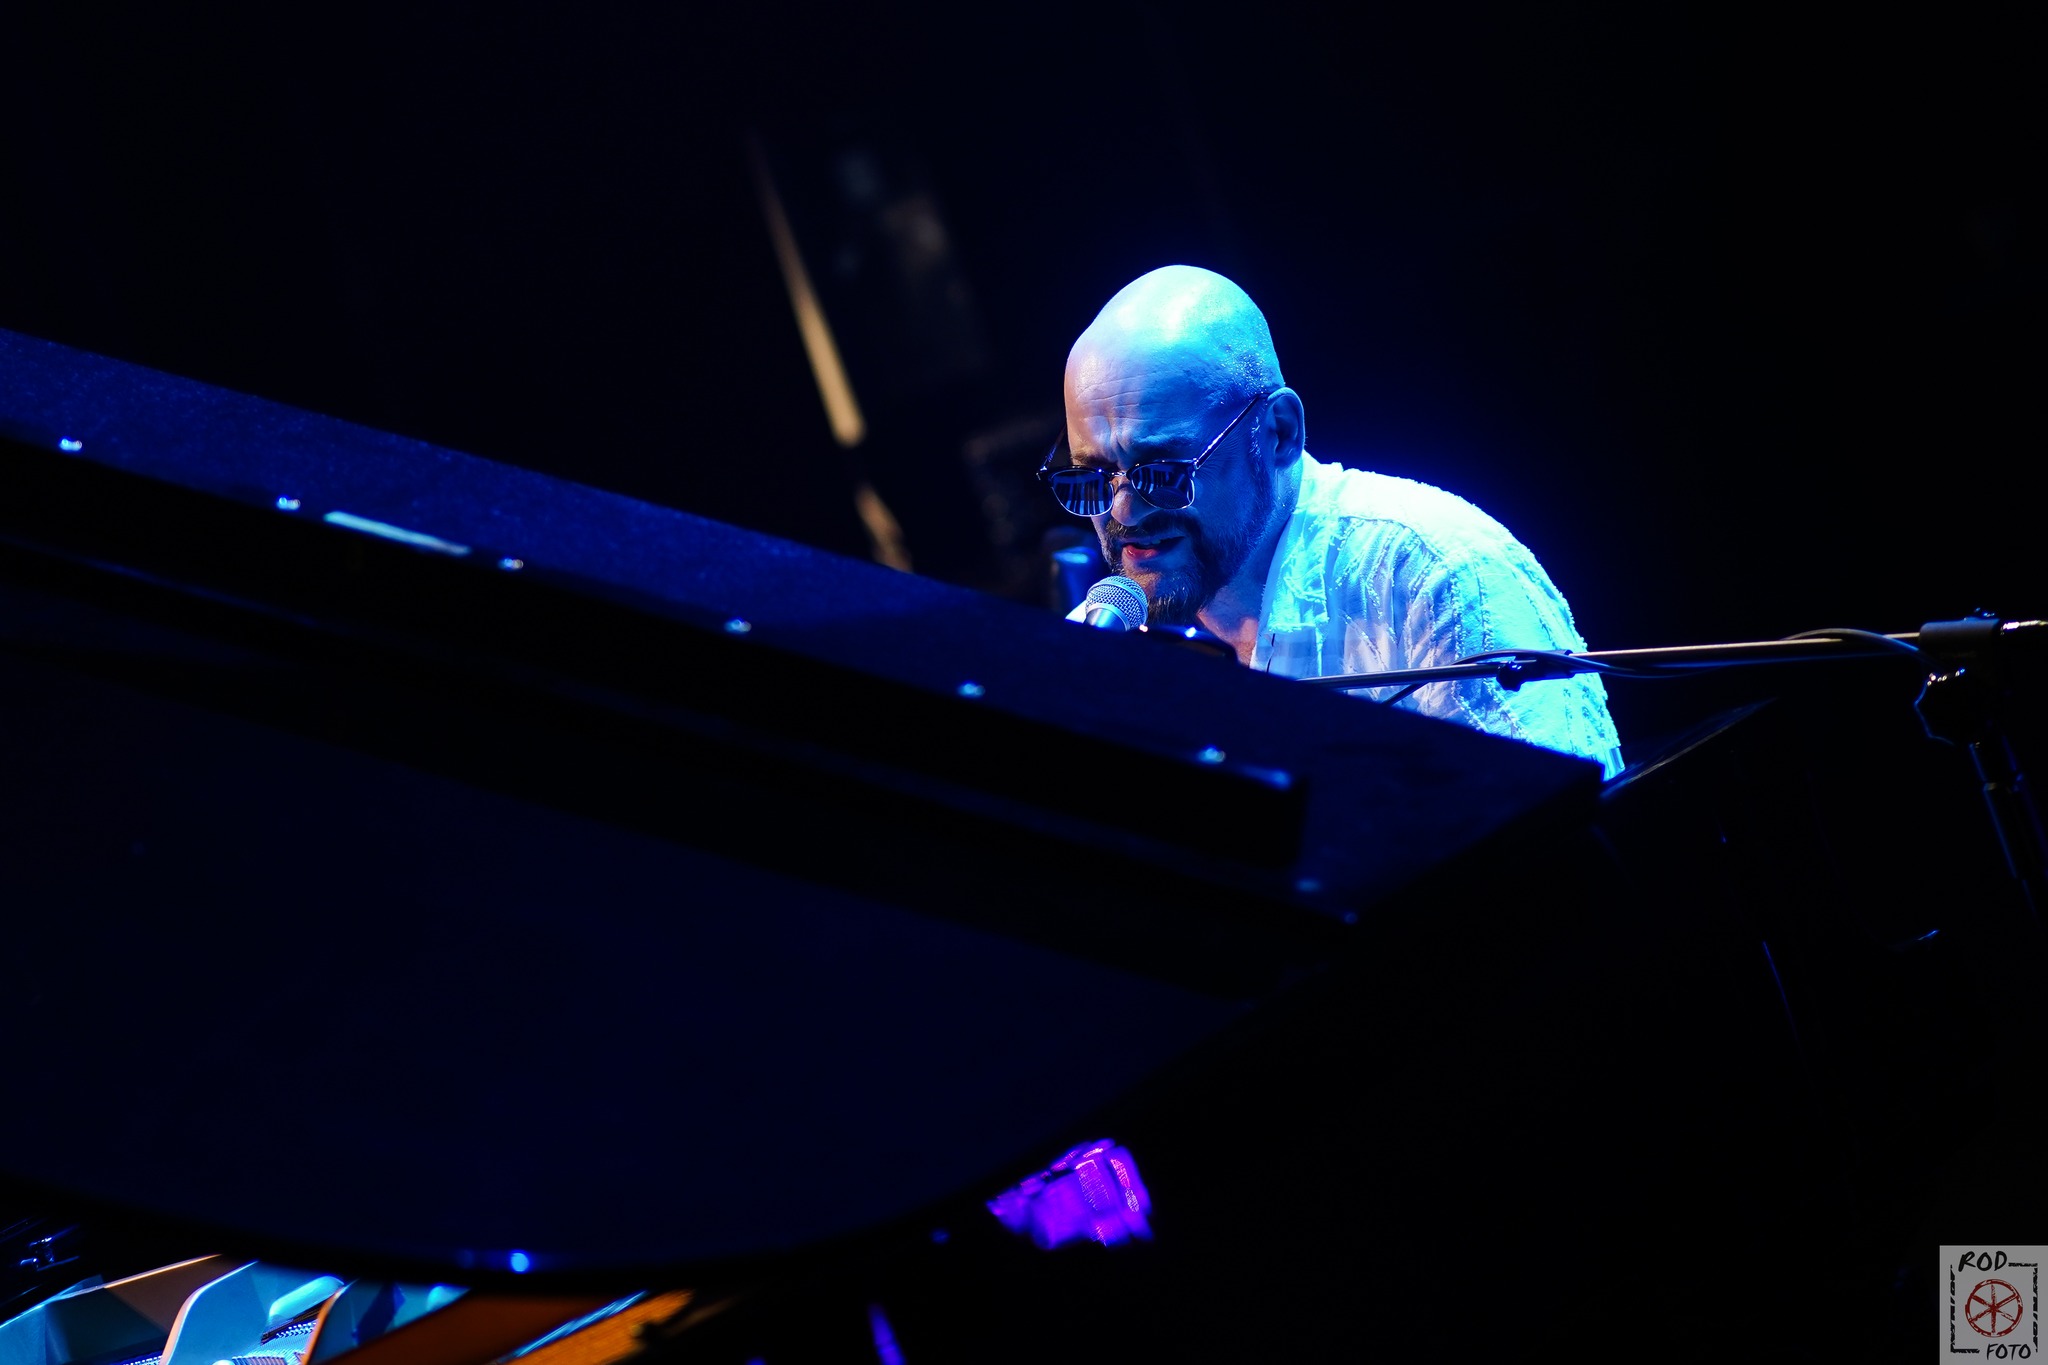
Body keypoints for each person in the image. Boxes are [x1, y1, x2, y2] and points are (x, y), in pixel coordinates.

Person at [1043, 264, 1625, 779]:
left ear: (1278, 433)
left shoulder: (1437, 574)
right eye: (1092, 477)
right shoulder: (1113, 640)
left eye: (1164, 473)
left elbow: (1559, 843)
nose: (1123, 511)